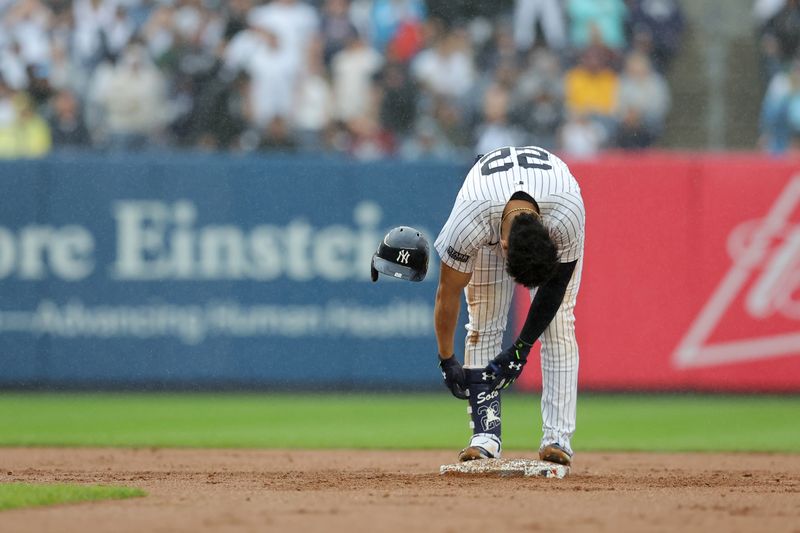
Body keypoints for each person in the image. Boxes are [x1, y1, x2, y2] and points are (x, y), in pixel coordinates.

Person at [433, 145, 585, 467]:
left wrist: (521, 349)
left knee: (558, 325)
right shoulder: (469, 218)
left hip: (549, 198)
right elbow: (447, 291)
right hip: (488, 211)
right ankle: (485, 437)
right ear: (503, 246)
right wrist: (447, 360)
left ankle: (557, 439)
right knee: (484, 322)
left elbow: (554, 287)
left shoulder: (566, 212)